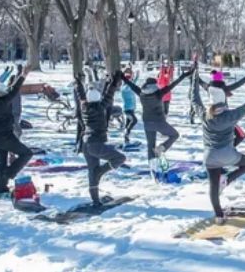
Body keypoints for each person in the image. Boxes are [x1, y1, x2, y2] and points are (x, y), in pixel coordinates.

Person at [200, 78, 245, 224]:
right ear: (223, 100)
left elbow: (193, 98)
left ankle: (218, 216)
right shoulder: (230, 115)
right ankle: (227, 179)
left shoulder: (204, 114)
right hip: (228, 155)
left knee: (213, 186)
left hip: (209, 156)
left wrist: (194, 80)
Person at [123, 63, 194, 166]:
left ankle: (152, 167)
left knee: (150, 145)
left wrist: (121, 76)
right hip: (159, 122)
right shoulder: (158, 93)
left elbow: (131, 85)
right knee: (174, 135)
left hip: (147, 123)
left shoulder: (141, 93)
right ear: (155, 85)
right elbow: (172, 85)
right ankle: (162, 148)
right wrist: (183, 76)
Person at [75, 70, 126, 205]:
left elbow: (81, 96)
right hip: (96, 143)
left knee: (92, 170)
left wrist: (78, 83)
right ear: (98, 99)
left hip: (86, 144)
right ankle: (101, 172)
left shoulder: (84, 107)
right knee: (120, 158)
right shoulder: (100, 107)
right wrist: (114, 81)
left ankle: (95, 200)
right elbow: (109, 95)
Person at [0, 66, 31, 194]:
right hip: (5, 136)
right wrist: (22, 76)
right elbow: (14, 90)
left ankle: (1, 188)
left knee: (1, 162)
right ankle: (9, 174)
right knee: (27, 154)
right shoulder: (3, 101)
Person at [121, 67, 140, 145]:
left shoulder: (128, 87)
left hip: (131, 109)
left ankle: (126, 139)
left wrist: (136, 76)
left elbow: (133, 83)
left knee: (127, 124)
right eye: (129, 80)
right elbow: (133, 83)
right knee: (134, 120)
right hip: (127, 110)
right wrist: (135, 77)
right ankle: (126, 133)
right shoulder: (125, 88)